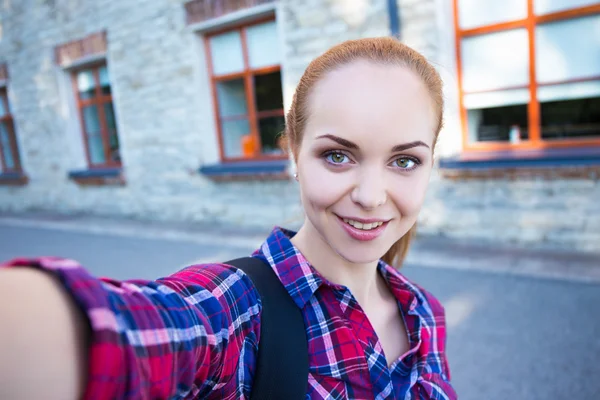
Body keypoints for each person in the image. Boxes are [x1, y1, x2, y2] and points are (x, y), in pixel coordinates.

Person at [0, 37, 457, 399]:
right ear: (295, 151)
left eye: (405, 161)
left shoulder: (426, 314)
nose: (370, 196)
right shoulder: (233, 311)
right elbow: (124, 331)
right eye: (337, 156)